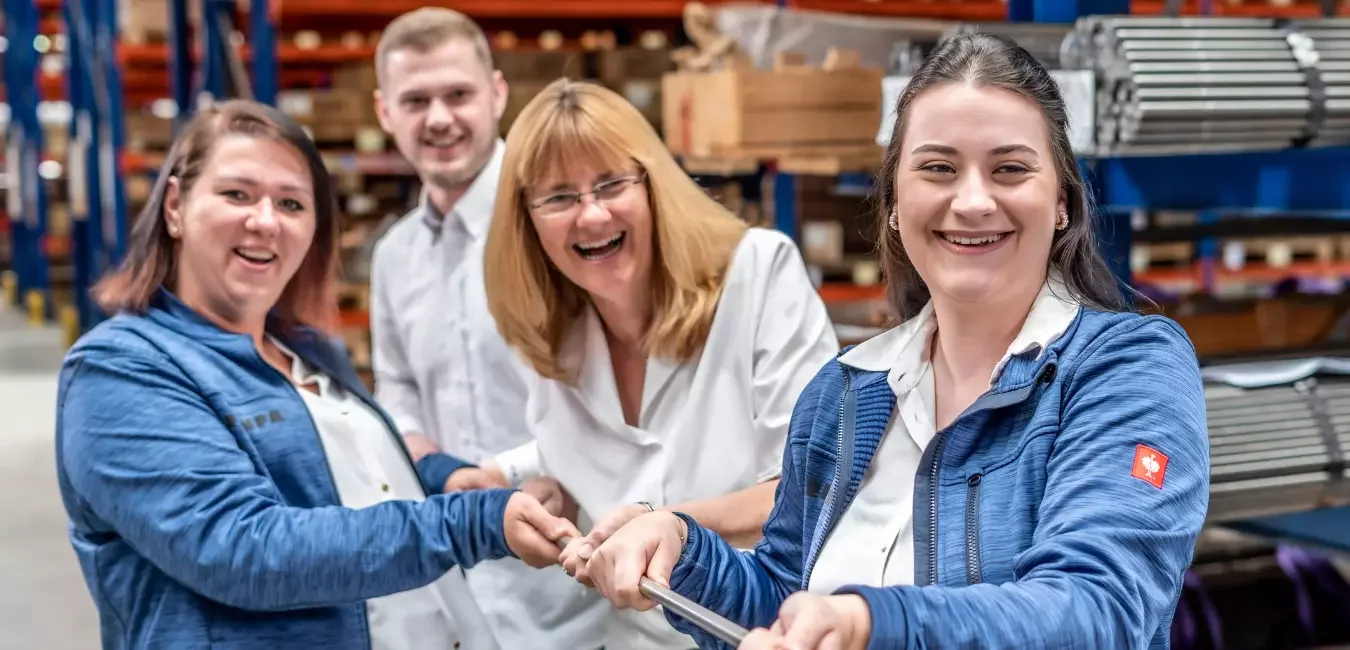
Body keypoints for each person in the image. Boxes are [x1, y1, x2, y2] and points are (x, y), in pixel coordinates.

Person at [582, 33, 1211, 650]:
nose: (973, 200)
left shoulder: (1126, 369)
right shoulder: (845, 392)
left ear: (1063, 203)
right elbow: (782, 601)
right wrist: (683, 549)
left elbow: (1097, 610)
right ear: (893, 202)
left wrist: (869, 623)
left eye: (1010, 169)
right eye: (938, 168)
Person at [52, 99, 578, 650]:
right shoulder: (121, 369)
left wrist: (442, 478)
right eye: (237, 194)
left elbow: (340, 474)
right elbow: (239, 548)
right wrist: (469, 522)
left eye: (291, 203)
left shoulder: (305, 349)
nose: (265, 221)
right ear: (176, 207)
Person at [479, 78, 842, 649]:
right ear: (526, 220)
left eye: (611, 184)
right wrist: (527, 486)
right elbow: (594, 455)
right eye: (559, 197)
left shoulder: (758, 274)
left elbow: (809, 489)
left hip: (763, 630)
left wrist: (666, 525)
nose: (592, 215)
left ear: (653, 185)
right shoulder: (553, 330)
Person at [366, 8, 603, 648]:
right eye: (416, 100)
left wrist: (524, 471)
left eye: (458, 94)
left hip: (578, 581)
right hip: (455, 581)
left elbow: (619, 387)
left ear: (497, 94)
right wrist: (442, 471)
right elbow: (396, 389)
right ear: (384, 112)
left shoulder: (563, 226)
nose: (439, 118)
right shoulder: (394, 256)